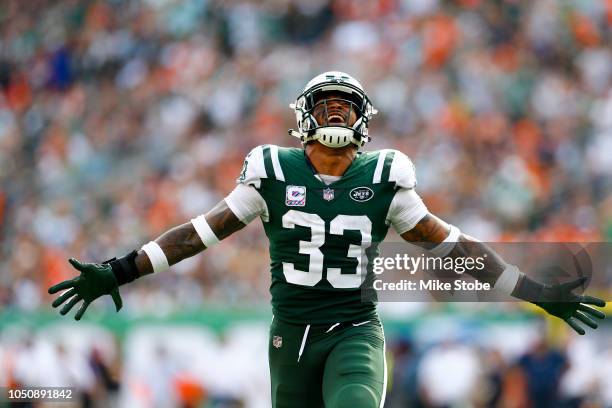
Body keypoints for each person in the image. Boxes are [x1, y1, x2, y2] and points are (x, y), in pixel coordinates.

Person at [48, 71, 606, 408]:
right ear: (303, 118)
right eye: (324, 104)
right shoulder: (271, 172)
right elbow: (198, 234)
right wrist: (119, 270)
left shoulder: (388, 182)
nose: (335, 111)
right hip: (289, 338)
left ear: (364, 122)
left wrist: (537, 291)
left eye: (345, 104)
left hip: (354, 332)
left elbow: (458, 251)